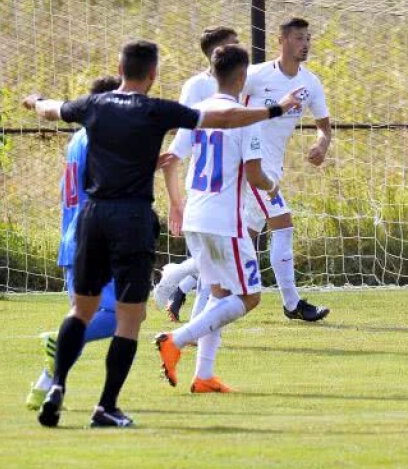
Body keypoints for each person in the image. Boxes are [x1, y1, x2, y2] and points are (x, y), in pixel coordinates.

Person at [24, 39, 302, 428]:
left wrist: (35, 100)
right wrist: (275, 108)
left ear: (120, 70)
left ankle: (57, 386)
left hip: (91, 217)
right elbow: (222, 120)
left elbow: (52, 109)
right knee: (128, 319)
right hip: (132, 219)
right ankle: (106, 406)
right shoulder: (157, 111)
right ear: (152, 75)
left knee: (80, 311)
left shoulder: (93, 105)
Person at [156, 44, 279, 391]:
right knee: (249, 296)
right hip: (225, 221)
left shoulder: (196, 113)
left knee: (219, 293)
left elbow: (171, 159)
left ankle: (204, 375)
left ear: (212, 74)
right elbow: (255, 176)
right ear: (242, 77)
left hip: (196, 215)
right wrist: (272, 187)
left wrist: (176, 203)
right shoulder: (246, 117)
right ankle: (176, 339)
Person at [25, 76, 122, 411]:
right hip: (95, 239)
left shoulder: (79, 136)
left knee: (82, 317)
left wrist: (38, 99)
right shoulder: (100, 139)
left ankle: (43, 387)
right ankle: (55, 339)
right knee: (114, 317)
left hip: (72, 239)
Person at [239, 18, 332, 322]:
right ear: (281, 40)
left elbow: (324, 128)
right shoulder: (255, 75)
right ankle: (292, 303)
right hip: (250, 163)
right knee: (284, 223)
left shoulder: (311, 83)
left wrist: (321, 146)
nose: (304, 44)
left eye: (308, 38)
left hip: (273, 166)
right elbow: (229, 110)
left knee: (241, 236)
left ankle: (179, 284)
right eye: (297, 38)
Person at [154, 25, 241, 322]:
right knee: (224, 266)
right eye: (233, 45)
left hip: (238, 179)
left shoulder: (247, 80)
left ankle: (180, 284)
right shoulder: (197, 90)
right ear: (218, 54)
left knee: (223, 262)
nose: (241, 50)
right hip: (214, 186)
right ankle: (194, 322)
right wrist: (175, 201)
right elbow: (178, 148)